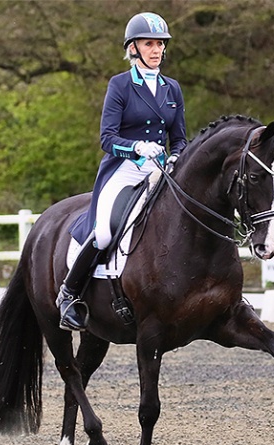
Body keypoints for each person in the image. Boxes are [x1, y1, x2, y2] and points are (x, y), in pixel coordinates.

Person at [57, 11, 188, 331]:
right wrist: (137, 148)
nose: (156, 50)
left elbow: (180, 138)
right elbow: (107, 138)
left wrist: (176, 157)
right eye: (149, 44)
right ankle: (69, 294)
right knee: (104, 232)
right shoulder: (120, 85)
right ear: (133, 48)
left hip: (160, 170)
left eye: (160, 44)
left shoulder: (172, 89)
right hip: (126, 169)